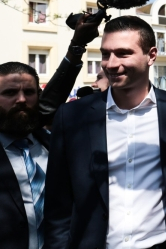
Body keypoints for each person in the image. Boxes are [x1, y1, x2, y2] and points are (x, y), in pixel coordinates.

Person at [44, 16, 166, 249]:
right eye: (106, 54)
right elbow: (58, 203)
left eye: (123, 53)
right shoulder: (73, 116)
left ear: (151, 55)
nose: (111, 64)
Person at [0, 13, 102, 249]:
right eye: (9, 93)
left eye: (30, 92)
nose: (21, 100)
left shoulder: (49, 143)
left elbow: (52, 98)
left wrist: (77, 46)